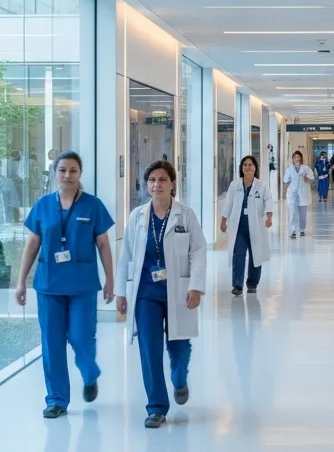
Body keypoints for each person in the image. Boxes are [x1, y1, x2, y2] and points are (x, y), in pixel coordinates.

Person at [15, 151, 116, 418]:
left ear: (80, 174)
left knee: (81, 337)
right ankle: (57, 399)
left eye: (72, 170)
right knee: (52, 343)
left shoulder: (93, 206)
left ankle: (89, 370)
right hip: (49, 285)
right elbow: (32, 245)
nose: (67, 175)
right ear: (55, 173)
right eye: (62, 170)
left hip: (82, 286)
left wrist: (110, 280)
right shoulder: (43, 206)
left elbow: (104, 245)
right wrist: (21, 281)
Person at [116, 161, 207, 429]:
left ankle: (179, 378)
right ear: (147, 185)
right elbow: (126, 257)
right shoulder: (137, 216)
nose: (157, 184)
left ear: (172, 184)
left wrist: (196, 286)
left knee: (178, 348)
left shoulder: (186, 216)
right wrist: (121, 292)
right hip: (146, 293)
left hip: (178, 290)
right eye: (152, 179)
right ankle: (156, 406)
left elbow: (198, 251)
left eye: (163, 179)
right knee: (149, 349)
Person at [219, 155, 275, 295]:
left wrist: (269, 217)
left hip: (256, 226)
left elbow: (268, 200)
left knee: (256, 254)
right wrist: (223, 220)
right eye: (245, 164)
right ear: (241, 168)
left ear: (255, 168)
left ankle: (252, 283)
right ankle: (237, 285)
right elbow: (229, 203)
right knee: (238, 254)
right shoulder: (234, 185)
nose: (248, 167)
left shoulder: (262, 186)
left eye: (251, 165)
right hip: (239, 227)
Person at [282, 150, 315, 238]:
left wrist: (307, 179)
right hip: (292, 194)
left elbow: (312, 181)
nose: (296, 158)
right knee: (292, 213)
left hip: (303, 194)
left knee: (303, 214)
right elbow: (285, 181)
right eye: (295, 157)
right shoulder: (289, 169)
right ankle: (293, 230)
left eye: (298, 157)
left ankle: (302, 230)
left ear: (301, 158)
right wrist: (285, 191)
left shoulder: (306, 168)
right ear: (292, 158)